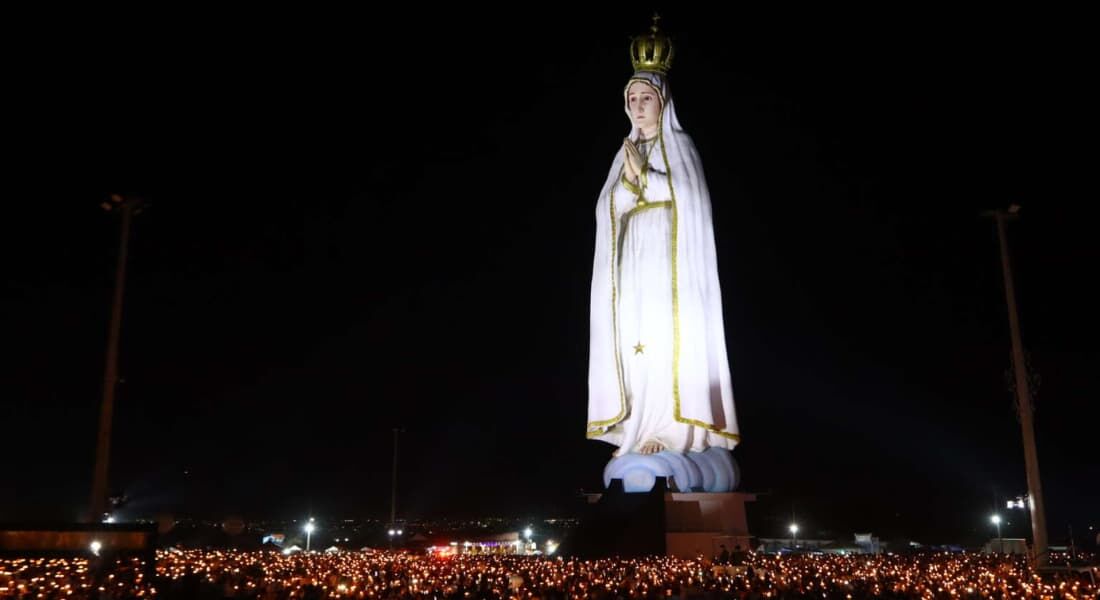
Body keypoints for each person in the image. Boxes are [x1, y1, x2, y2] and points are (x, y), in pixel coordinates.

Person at [588, 18, 740, 457]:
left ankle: (673, 431)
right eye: (632, 99)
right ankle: (637, 425)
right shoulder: (625, 153)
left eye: (646, 99)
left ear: (663, 103)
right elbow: (607, 207)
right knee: (636, 341)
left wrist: (645, 179)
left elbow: (689, 199)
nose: (638, 107)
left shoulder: (680, 146)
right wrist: (629, 183)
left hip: (669, 265)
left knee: (666, 341)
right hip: (634, 261)